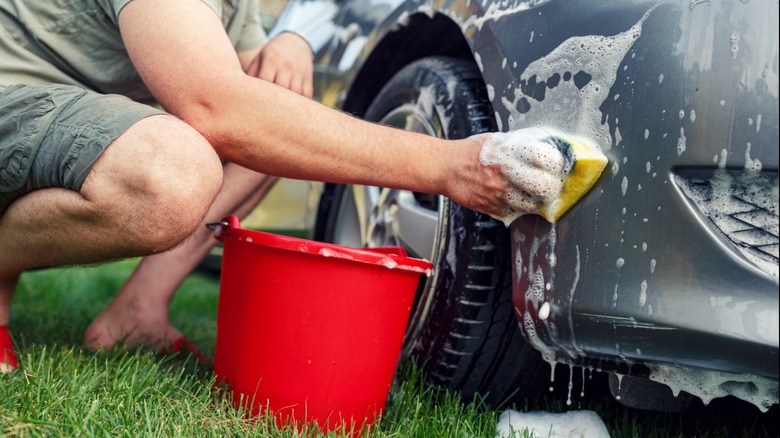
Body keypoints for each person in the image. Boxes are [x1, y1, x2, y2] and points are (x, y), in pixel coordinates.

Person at [0, 0, 566, 373]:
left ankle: (137, 313)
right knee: (171, 176)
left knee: (279, 105)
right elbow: (217, 107)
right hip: (11, 96)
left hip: (65, 119)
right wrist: (448, 167)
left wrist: (290, 40)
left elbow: (257, 97)